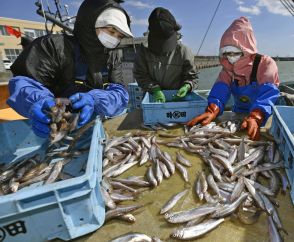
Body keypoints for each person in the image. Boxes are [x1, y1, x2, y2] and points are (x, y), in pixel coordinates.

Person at [7, 0, 133, 138]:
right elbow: (24, 83)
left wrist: (95, 99)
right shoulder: (54, 47)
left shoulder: (113, 56)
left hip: (93, 129)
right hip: (54, 129)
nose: (114, 39)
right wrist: (38, 101)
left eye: (119, 36)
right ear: (91, 23)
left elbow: (120, 93)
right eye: (111, 31)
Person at [187, 17, 280, 140]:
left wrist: (256, 116)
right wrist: (212, 109)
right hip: (238, 115)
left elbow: (268, 93)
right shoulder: (228, 68)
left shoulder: (266, 64)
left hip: (263, 117)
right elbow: (221, 88)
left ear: (247, 50)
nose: (230, 58)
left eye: (235, 53)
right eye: (226, 53)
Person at [133, 7, 198, 103]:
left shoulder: (184, 51)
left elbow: (192, 78)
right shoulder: (143, 51)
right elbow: (140, 75)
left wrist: (187, 86)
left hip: (178, 101)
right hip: (153, 99)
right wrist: (154, 89)